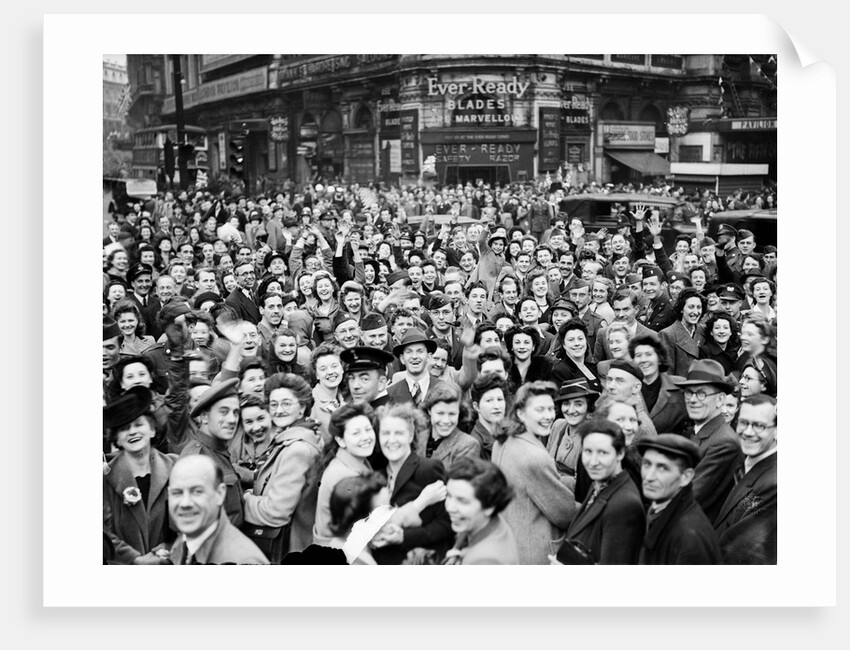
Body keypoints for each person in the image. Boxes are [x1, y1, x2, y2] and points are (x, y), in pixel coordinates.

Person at [491, 381, 577, 565]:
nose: (548, 416)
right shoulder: (535, 457)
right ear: (521, 413)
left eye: (551, 409)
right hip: (534, 554)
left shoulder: (502, 441)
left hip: (507, 545)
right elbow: (565, 513)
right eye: (540, 410)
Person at [242, 373, 323, 562]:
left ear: (302, 407)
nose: (279, 410)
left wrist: (245, 499)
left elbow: (275, 513)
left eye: (286, 404)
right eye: (273, 404)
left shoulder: (298, 449)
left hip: (290, 549)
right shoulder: (291, 438)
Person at [371, 402, 453, 565]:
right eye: (385, 433)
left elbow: (447, 524)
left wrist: (405, 537)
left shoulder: (428, 469)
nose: (391, 440)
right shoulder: (376, 476)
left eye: (399, 433)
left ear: (410, 435)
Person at [102, 386, 176, 565]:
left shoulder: (175, 467)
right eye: (125, 429)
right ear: (116, 439)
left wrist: (171, 548)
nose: (133, 432)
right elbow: (102, 531)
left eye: (138, 425)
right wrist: (136, 559)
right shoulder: (104, 478)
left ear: (152, 430)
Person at [557, 419, 645, 565]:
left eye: (602, 453)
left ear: (620, 454)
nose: (593, 461)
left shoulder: (625, 504)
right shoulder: (600, 483)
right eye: (588, 452)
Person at [673, 359, 744, 523]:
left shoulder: (725, 442)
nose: (692, 399)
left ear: (720, 400)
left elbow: (689, 496)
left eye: (701, 393)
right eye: (689, 392)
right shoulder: (694, 432)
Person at [167, 455, 269, 565]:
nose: (185, 503)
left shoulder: (243, 560)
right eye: (177, 492)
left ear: (220, 494)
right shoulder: (186, 540)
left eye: (197, 492)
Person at [637, 434, 722, 564]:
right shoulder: (661, 508)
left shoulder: (690, 537)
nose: (649, 476)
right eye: (647, 464)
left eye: (662, 468)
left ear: (686, 477)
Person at [713, 394, 778, 564]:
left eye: (759, 426)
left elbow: (738, 552)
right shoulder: (744, 463)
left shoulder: (774, 485)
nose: (748, 432)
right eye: (744, 423)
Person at [180, 378, 244, 527]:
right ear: (204, 417)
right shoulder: (196, 458)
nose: (232, 419)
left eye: (235, 413)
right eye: (223, 412)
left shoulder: (219, 450)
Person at [313, 403, 378, 547]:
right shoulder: (344, 476)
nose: (366, 437)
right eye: (356, 433)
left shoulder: (353, 461)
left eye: (368, 430)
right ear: (340, 440)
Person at [442, 457, 519, 565]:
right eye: (448, 495)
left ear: (489, 507)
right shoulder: (489, 521)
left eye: (462, 501)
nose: (449, 507)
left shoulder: (484, 560)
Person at [630, 333, 689, 435]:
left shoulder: (680, 387)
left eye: (649, 354)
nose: (643, 360)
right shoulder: (626, 389)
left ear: (660, 359)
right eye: (638, 356)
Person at [546, 378, 599, 490]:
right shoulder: (558, 425)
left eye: (578, 404)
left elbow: (585, 485)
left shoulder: (592, 436)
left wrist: (551, 476)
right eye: (566, 404)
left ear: (588, 407)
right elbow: (545, 463)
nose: (571, 410)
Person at [418, 383, 481, 470]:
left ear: (459, 413)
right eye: (440, 413)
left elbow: (458, 481)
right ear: (429, 410)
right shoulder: (417, 438)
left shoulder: (468, 445)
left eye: (452, 414)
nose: (446, 420)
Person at [386, 328, 450, 406]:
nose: (414, 356)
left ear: (429, 357)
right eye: (409, 352)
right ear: (402, 359)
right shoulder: (390, 394)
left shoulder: (444, 389)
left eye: (420, 351)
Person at [659, 288, 706, 377]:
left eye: (699, 307)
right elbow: (667, 376)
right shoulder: (668, 334)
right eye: (691, 307)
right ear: (681, 309)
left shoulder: (704, 331)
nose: (695, 312)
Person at [551, 318, 601, 392]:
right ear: (564, 345)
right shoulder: (560, 371)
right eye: (571, 340)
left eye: (580, 339)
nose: (577, 343)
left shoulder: (592, 367)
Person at [469, 372, 508, 460]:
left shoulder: (510, 433)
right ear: (476, 406)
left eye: (500, 399)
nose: (497, 406)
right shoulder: (474, 445)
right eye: (489, 400)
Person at [699, 311, 741, 375]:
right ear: (711, 332)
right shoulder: (705, 351)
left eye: (725, 328)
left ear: (730, 332)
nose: (721, 331)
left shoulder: (734, 351)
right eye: (717, 328)